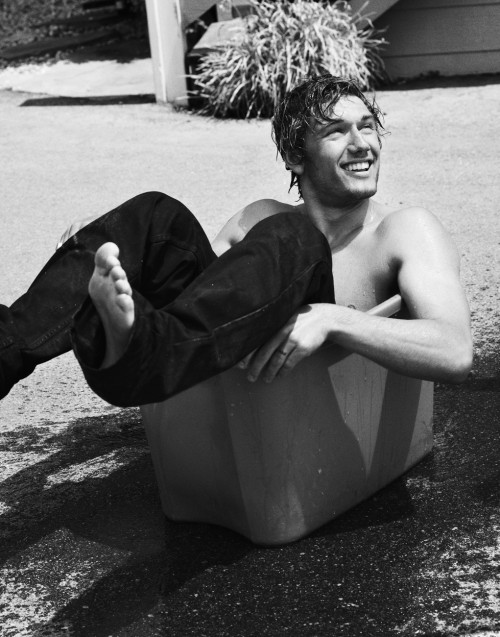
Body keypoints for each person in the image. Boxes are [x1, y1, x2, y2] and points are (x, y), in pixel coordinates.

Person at [0, 75, 472, 407]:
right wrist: (108, 252)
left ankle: (142, 348)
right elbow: (206, 303)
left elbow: (453, 350)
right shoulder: (258, 220)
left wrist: (334, 319)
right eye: (336, 132)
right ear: (295, 156)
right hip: (213, 371)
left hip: (319, 422)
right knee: (154, 216)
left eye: (367, 126)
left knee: (295, 237)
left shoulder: (405, 229)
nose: (362, 143)